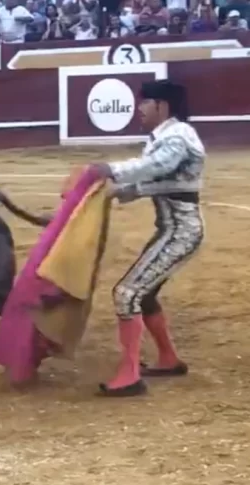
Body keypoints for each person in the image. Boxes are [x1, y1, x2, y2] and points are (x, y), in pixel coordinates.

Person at [69, 80, 204, 397]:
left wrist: (108, 170)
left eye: (145, 102)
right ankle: (169, 358)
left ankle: (129, 374)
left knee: (127, 293)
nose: (139, 109)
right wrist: (110, 193)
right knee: (143, 294)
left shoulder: (178, 136)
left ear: (162, 106)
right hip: (173, 231)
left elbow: (156, 167)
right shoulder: (167, 136)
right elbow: (161, 181)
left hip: (180, 233)